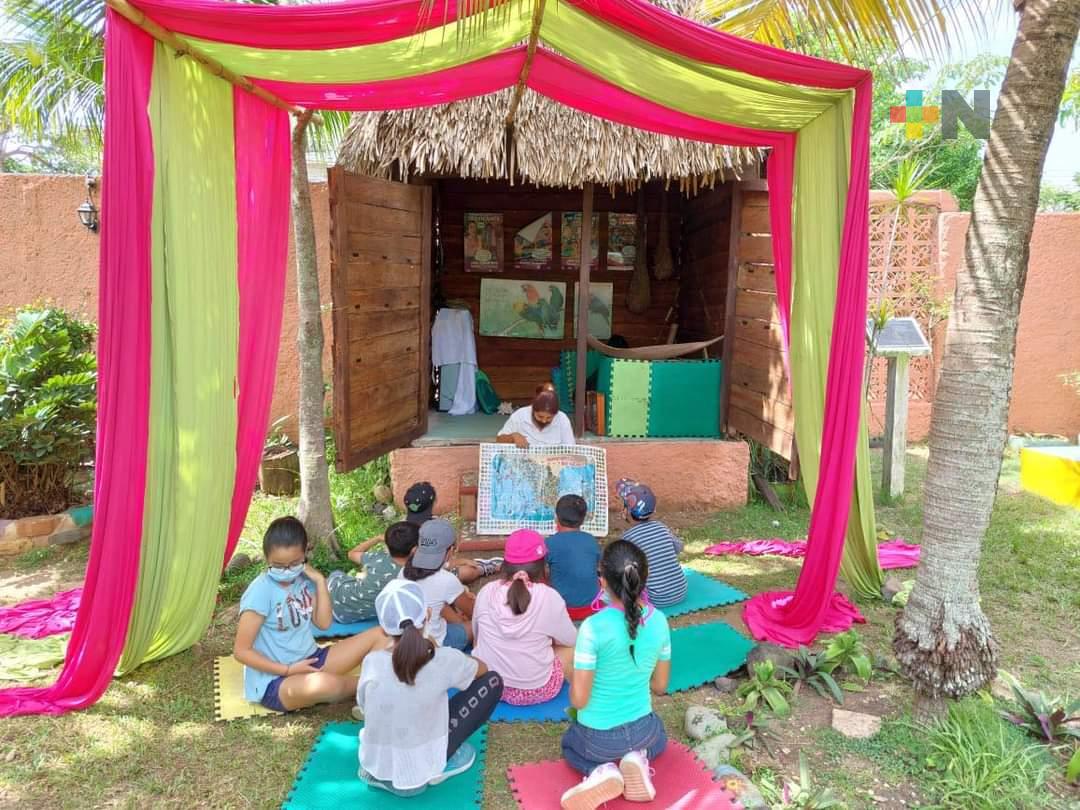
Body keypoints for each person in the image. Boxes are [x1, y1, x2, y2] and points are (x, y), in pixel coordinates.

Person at [357, 579, 503, 797]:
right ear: (427, 615)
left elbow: (363, 704)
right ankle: (442, 761)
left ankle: (381, 772)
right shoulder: (443, 659)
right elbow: (483, 670)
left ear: (383, 629)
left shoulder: (372, 661)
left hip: (378, 764)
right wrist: (438, 650)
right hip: (427, 765)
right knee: (493, 681)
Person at [233, 516, 386, 712]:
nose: (287, 571)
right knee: (327, 686)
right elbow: (241, 651)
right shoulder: (260, 591)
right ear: (266, 559)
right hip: (276, 680)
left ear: (305, 554)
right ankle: (376, 686)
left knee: (381, 634)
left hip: (312, 659)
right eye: (278, 566)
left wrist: (320, 581)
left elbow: (324, 624)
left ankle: (376, 685)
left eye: (295, 563)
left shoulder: (303, 579)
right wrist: (288, 670)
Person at [559, 541, 671, 809]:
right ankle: (638, 758)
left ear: (602, 580)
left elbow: (579, 701)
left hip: (597, 740)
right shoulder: (660, 621)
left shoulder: (592, 628)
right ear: (645, 576)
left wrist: (571, 672)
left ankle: (604, 771)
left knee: (569, 746)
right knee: (662, 739)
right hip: (645, 731)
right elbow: (660, 686)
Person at [472, 529, 577, 706]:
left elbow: (477, 636)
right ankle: (587, 693)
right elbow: (570, 639)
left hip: (488, 686)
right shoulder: (549, 596)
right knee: (574, 649)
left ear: (504, 563)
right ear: (543, 565)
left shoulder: (486, 591)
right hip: (537, 690)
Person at [403, 480, 502, 583]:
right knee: (468, 571)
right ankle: (484, 569)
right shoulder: (437, 528)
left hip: (417, 572)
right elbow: (440, 563)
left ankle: (480, 567)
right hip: (432, 575)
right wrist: (459, 562)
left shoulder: (401, 530)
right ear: (434, 502)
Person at [401, 518, 476, 650]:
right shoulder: (447, 580)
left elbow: (435, 601)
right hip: (437, 643)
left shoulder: (404, 571)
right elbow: (473, 612)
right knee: (478, 624)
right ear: (451, 551)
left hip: (407, 640)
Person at [327, 522, 418, 624]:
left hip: (333, 599)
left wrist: (377, 539)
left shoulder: (379, 557)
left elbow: (351, 554)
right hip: (346, 617)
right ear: (414, 550)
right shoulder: (415, 573)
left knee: (336, 574)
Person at [617, 479, 688, 608]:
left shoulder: (627, 538)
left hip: (656, 598)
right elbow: (679, 547)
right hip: (680, 591)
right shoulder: (661, 527)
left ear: (628, 511)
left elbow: (622, 567)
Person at [545, 495, 602, 621]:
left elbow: (538, 569)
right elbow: (597, 565)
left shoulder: (550, 543)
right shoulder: (591, 540)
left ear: (556, 518)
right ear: (583, 520)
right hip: (592, 608)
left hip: (563, 610)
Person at [496, 382, 575, 448]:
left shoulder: (562, 419)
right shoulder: (520, 415)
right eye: (540, 416)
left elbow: (570, 449)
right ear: (533, 409)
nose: (544, 421)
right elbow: (499, 440)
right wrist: (513, 436)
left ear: (556, 414)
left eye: (549, 418)